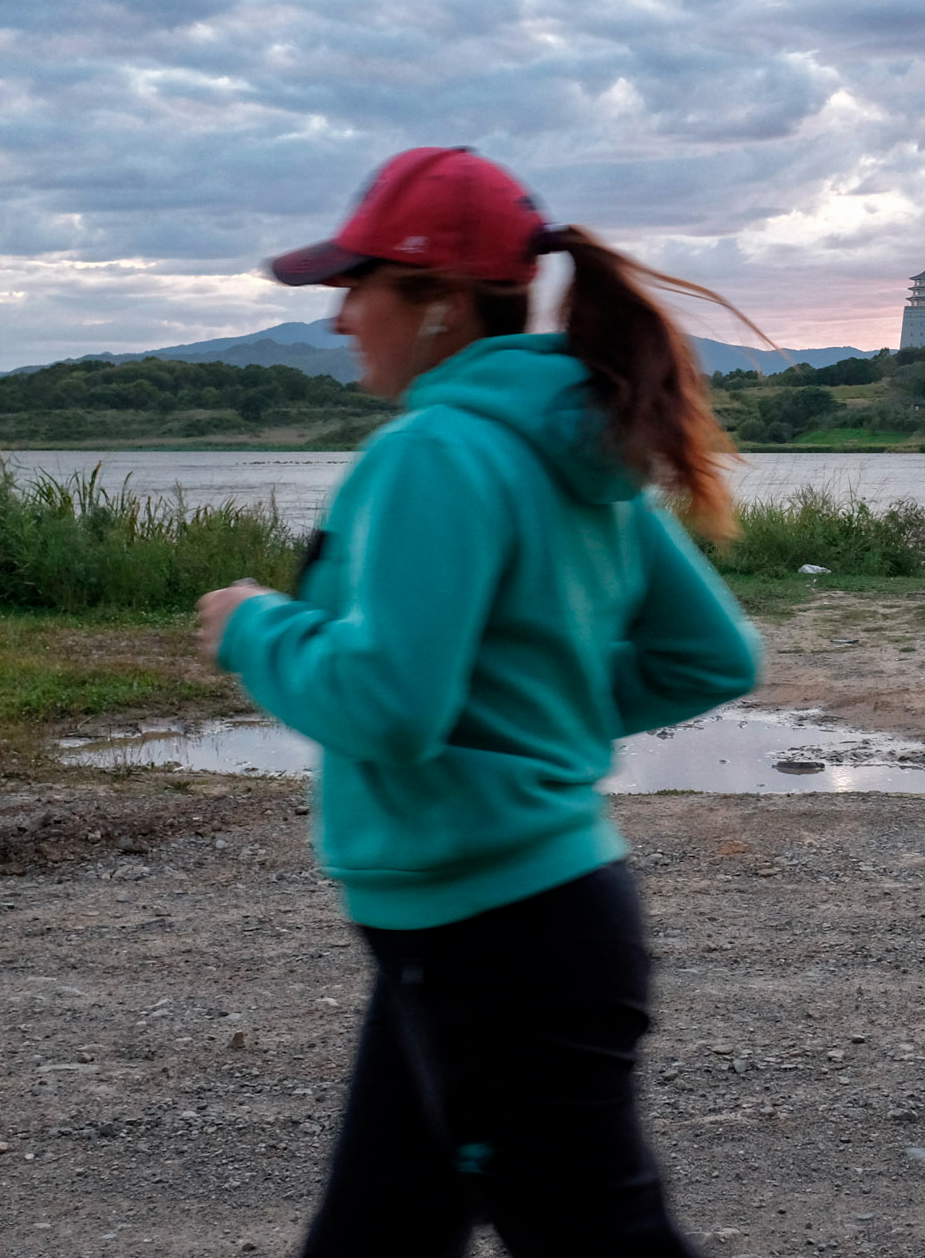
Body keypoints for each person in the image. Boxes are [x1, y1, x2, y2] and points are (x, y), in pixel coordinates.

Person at [193, 146, 760, 1257]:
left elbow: (390, 703)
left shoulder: (436, 451)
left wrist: (252, 624)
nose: (339, 317)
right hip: (501, 921)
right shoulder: (574, 445)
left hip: (491, 937)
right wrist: (534, 722)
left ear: (444, 303)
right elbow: (712, 656)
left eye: (357, 286)